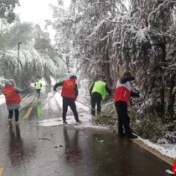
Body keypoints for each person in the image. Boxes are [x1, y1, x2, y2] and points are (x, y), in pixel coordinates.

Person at [114, 71, 144, 138]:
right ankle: (128, 133)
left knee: (121, 118)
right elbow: (124, 78)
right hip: (121, 101)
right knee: (125, 118)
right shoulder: (122, 79)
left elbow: (129, 93)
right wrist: (133, 78)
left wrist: (138, 95)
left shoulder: (124, 84)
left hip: (118, 101)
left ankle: (121, 133)